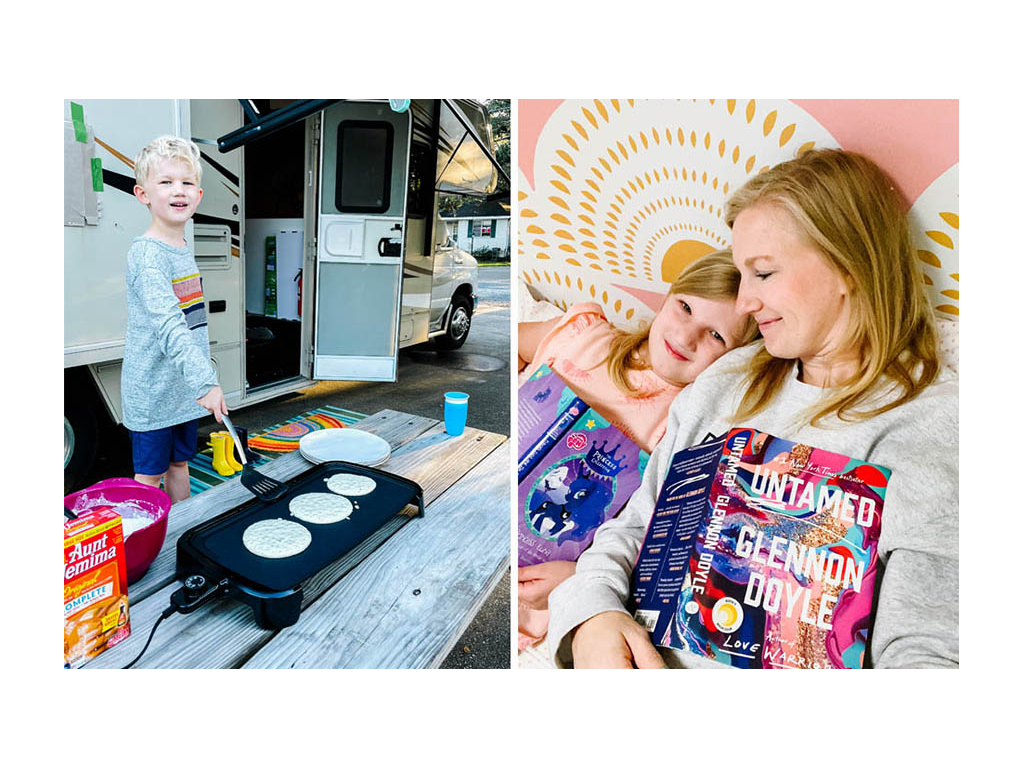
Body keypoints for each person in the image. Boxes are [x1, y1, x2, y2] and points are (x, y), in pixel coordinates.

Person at [548, 148, 958, 669]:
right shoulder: (726, 382)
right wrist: (591, 617)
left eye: (762, 273)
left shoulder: (932, 425)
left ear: (847, 267)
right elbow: (635, 529)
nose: (744, 302)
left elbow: (928, 650)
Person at [517, 251, 759, 649]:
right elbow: (519, 344)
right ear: (667, 298)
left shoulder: (687, 427)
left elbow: (653, 536)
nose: (686, 337)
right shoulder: (583, 333)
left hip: (541, 568)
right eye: (684, 307)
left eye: (716, 335)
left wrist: (576, 574)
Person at [120, 136, 227, 503]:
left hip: (182, 393)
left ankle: (184, 532)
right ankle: (144, 549)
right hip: (152, 394)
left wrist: (197, 384)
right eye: (165, 182)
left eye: (186, 183)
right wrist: (205, 383)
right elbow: (170, 327)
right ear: (143, 194)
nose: (177, 191)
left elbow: (192, 324)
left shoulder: (181, 247)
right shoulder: (148, 256)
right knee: (148, 477)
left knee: (180, 466)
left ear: (198, 195)